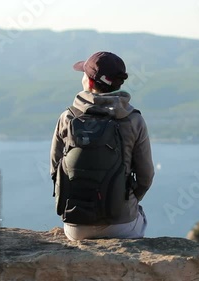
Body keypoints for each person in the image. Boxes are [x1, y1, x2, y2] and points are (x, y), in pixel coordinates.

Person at [50, 51, 154, 241]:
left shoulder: (68, 117)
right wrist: (122, 200)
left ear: (89, 82)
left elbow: (55, 170)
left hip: (76, 227)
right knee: (140, 215)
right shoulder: (133, 120)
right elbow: (145, 177)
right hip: (120, 226)